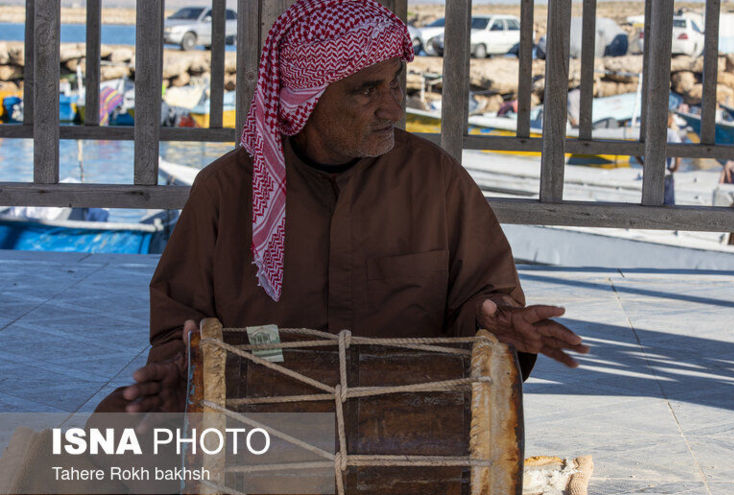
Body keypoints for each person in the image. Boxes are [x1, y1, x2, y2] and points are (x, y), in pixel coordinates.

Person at [101, 0, 588, 418]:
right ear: (304, 98)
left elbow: (484, 297)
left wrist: (498, 321)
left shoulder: (435, 179)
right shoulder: (226, 190)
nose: (393, 108)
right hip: (264, 419)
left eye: (396, 83)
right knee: (109, 434)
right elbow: (178, 322)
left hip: (398, 416)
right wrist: (180, 373)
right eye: (366, 90)